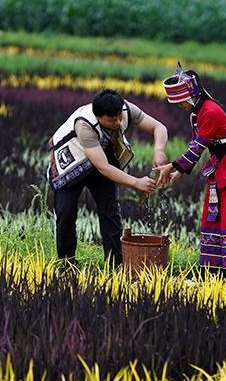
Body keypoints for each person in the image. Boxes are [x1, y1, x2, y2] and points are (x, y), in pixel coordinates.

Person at [155, 64, 226, 281]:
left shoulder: (210, 111)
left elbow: (197, 147)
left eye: (181, 102)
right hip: (220, 168)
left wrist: (172, 167)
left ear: (191, 95)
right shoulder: (197, 112)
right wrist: (178, 172)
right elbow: (199, 145)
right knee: (213, 218)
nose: (180, 106)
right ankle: (213, 274)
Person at [47, 89, 169, 266]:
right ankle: (67, 264)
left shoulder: (125, 109)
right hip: (71, 162)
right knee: (66, 213)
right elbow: (103, 167)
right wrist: (136, 182)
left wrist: (158, 151)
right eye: (112, 120)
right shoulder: (85, 125)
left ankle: (115, 264)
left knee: (110, 209)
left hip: (101, 155)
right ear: (98, 117)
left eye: (119, 117)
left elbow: (159, 127)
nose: (118, 122)